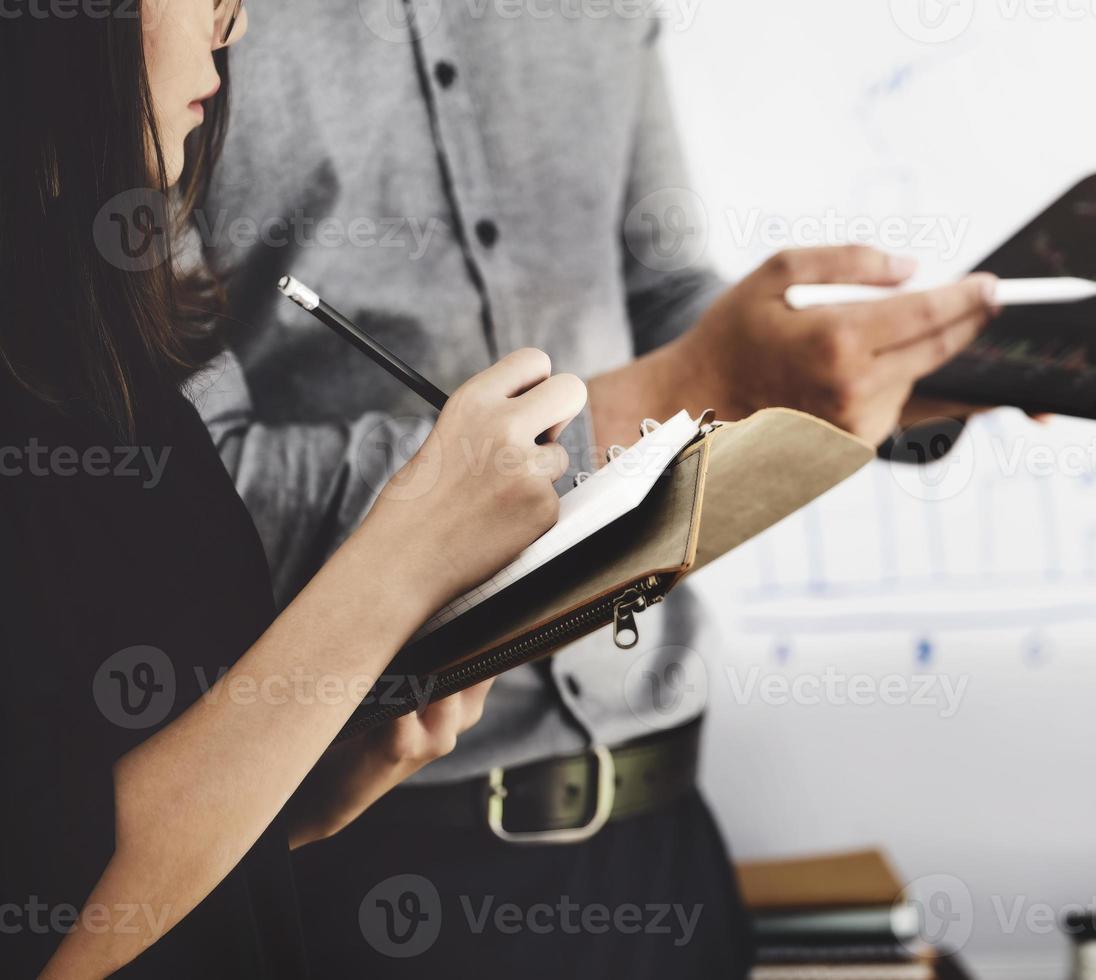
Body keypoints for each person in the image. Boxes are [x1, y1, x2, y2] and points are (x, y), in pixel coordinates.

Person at [196, 1, 1000, 974]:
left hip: (662, 836)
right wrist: (694, 384)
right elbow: (198, 493)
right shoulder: (165, 37)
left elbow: (666, 303)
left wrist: (854, 367)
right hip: (361, 858)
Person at [0, 1, 587, 975]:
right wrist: (404, 556)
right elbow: (49, 914)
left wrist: (306, 781)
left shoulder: (100, 346)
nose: (229, 28)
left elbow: (139, 816)